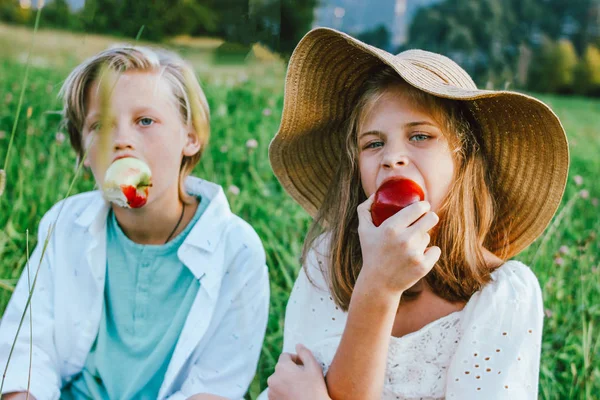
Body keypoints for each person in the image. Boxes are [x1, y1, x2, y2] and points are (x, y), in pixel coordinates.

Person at [261, 27, 569, 400]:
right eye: (373, 143)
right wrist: (375, 285)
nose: (392, 157)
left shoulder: (502, 295)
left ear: (463, 158)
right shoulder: (329, 262)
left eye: (420, 136)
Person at [0, 45, 269, 400]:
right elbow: (27, 349)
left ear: (190, 137)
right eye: (100, 125)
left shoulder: (236, 250)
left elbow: (216, 387)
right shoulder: (65, 225)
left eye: (145, 121)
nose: (121, 140)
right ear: (83, 152)